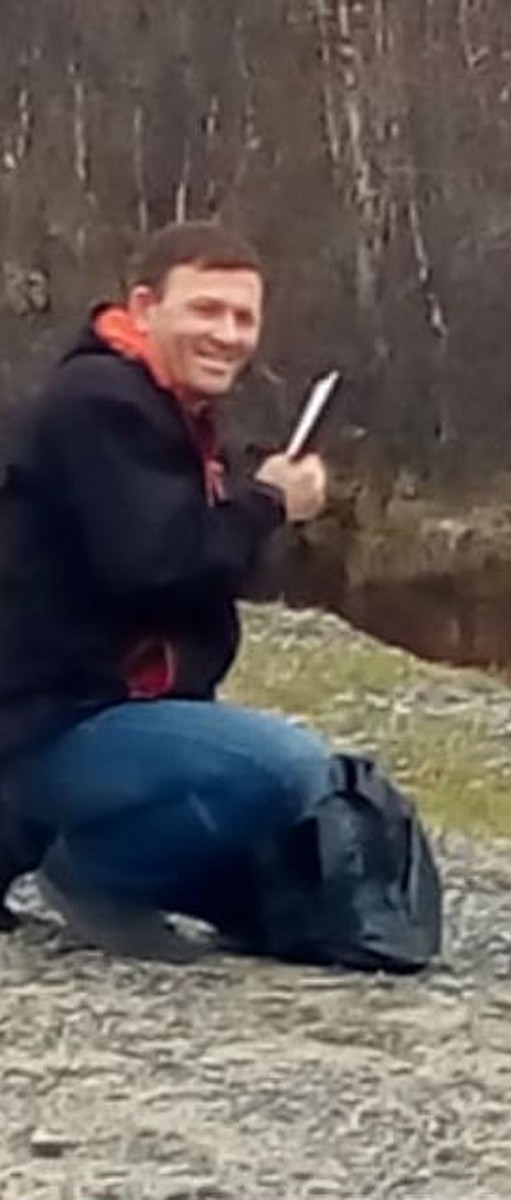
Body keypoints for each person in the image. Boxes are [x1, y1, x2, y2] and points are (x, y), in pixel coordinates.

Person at [0, 220, 335, 961]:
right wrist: (268, 503)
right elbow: (155, 563)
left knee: (282, 843)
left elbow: (192, 568)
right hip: (50, 718)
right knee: (287, 768)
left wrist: (248, 511)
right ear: (145, 306)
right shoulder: (101, 402)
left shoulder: (161, 409)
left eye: (243, 317)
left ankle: (56, 836)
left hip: (85, 708)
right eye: (205, 310)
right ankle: (89, 874)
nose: (228, 334)